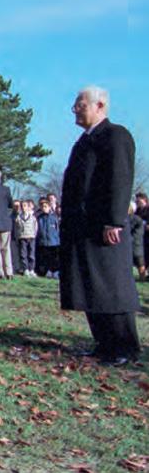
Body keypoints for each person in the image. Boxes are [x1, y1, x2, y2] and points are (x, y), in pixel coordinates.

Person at [60, 85, 140, 366]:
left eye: (80, 104)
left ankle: (124, 346)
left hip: (105, 227)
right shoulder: (84, 141)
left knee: (112, 286)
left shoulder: (115, 136)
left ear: (100, 105)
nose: (75, 110)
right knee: (91, 287)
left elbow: (120, 179)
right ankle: (104, 343)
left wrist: (114, 220)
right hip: (82, 227)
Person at [35, 199, 60, 278]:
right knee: (45, 259)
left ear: (49, 207)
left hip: (53, 242)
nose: (44, 208)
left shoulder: (54, 217)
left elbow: (57, 229)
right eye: (42, 207)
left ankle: (55, 272)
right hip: (43, 242)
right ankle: (47, 272)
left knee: (54, 258)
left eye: (46, 206)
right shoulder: (39, 218)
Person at [14, 200, 38, 277]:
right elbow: (16, 228)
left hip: (31, 237)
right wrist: (18, 236)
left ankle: (31, 269)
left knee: (31, 254)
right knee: (23, 254)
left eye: (25, 206)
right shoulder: (19, 217)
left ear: (28, 207)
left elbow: (35, 227)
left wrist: (34, 235)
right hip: (22, 237)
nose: (23, 208)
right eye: (22, 206)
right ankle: (25, 269)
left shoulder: (33, 217)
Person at [128, 202, 145, 281]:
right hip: (132, 243)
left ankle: (142, 278)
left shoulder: (136, 219)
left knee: (140, 262)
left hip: (136, 243)